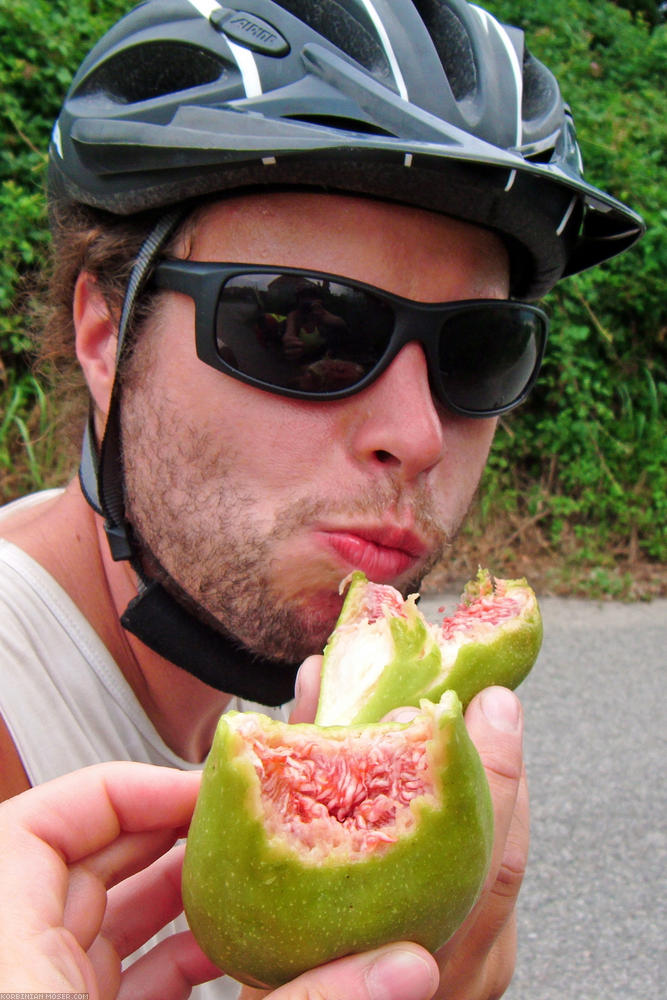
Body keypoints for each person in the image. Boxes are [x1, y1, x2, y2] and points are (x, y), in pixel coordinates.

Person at [0, 0, 643, 997]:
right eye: (309, 326)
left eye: (477, 352)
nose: (420, 433)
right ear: (103, 334)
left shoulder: (253, 706)